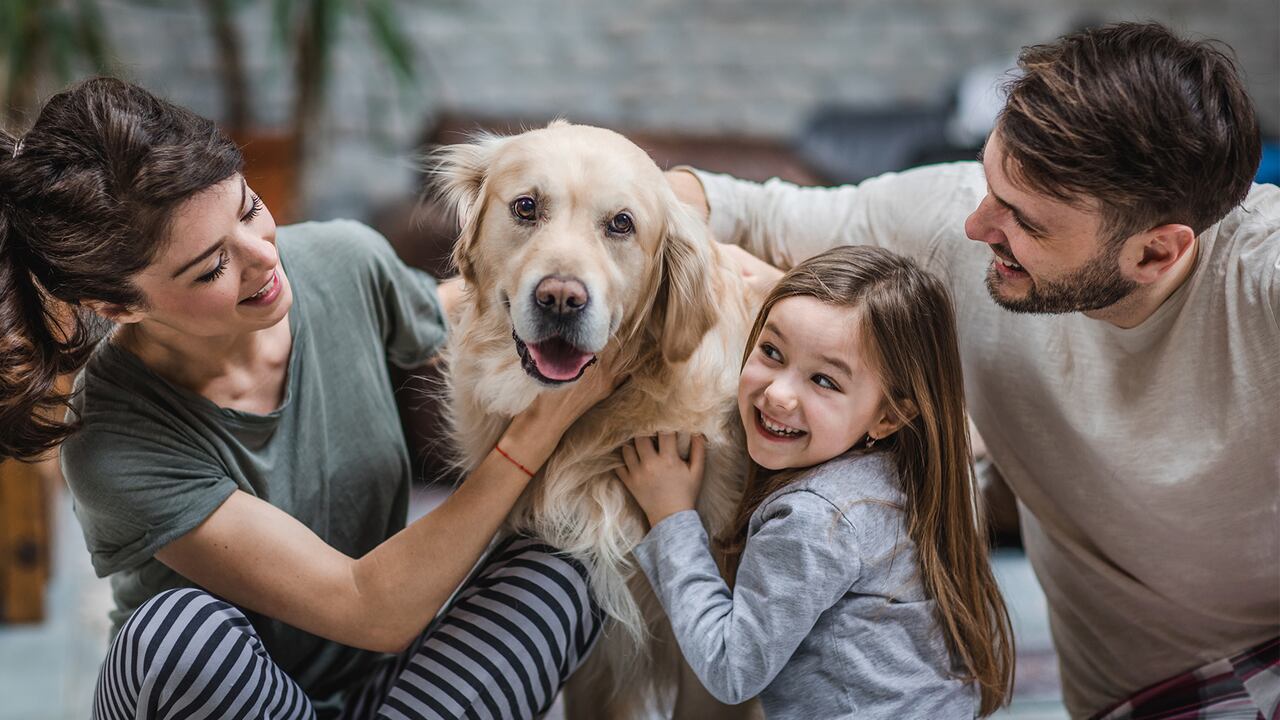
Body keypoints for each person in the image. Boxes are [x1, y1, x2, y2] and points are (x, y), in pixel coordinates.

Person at [664, 21, 1278, 719]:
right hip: (1160, 695)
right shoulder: (960, 222)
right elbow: (734, 205)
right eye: (988, 182)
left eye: (1025, 221)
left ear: (1156, 255)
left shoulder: (1261, 283)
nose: (976, 226)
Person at [0, 77, 620, 719]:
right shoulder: (111, 441)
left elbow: (473, 304)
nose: (263, 257)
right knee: (170, 637)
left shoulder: (341, 262)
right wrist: (537, 431)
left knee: (571, 552)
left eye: (247, 209)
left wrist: (678, 234)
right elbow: (371, 607)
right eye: (212, 268)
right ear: (117, 305)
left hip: (390, 700)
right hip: (232, 701)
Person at [617, 245, 1015, 718]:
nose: (779, 394)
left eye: (824, 381)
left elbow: (730, 668)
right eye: (771, 351)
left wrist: (671, 517)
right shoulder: (908, 477)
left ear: (888, 416)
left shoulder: (814, 520)